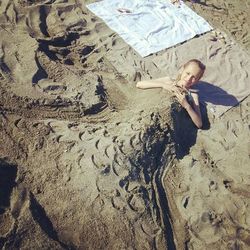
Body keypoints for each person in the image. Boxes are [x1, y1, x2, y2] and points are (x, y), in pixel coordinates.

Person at [136, 59, 205, 128]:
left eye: (194, 77)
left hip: (162, 126)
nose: (189, 78)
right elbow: (139, 84)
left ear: (197, 80)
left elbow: (199, 124)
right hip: (144, 114)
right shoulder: (168, 81)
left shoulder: (193, 95)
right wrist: (163, 85)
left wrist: (187, 106)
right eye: (188, 73)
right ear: (182, 69)